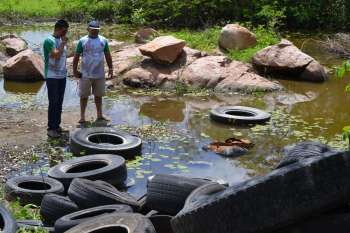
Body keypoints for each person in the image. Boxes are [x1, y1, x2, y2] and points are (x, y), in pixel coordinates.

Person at [73, 20, 113, 124]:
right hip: (85, 73)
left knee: (98, 95)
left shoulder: (103, 40)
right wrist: (74, 70)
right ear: (88, 29)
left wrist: (111, 68)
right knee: (84, 96)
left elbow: (107, 54)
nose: (95, 32)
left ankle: (99, 115)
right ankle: (82, 117)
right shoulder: (82, 41)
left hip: (99, 73)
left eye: (97, 30)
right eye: (93, 30)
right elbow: (76, 56)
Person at [43, 19, 69, 138]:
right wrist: (63, 43)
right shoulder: (49, 40)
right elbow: (56, 55)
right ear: (58, 29)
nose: (66, 32)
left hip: (62, 76)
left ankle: (57, 126)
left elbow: (63, 57)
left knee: (59, 102)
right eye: (65, 30)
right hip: (52, 76)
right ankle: (51, 128)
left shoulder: (62, 40)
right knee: (53, 102)